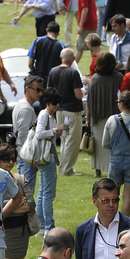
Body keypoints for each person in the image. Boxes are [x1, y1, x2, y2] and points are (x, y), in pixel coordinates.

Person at [0, 146, 35, 259]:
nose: (11, 163)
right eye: (6, 159)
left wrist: (10, 206)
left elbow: (30, 203)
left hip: (21, 233)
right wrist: (19, 201)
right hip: (4, 232)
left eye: (13, 159)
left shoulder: (20, 179)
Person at [46, 48, 85, 177]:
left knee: (63, 139)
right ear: (73, 59)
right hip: (73, 110)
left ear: (61, 58)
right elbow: (78, 95)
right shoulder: (73, 73)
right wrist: (86, 91)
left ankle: (63, 166)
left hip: (59, 110)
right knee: (72, 140)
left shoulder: (53, 71)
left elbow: (49, 91)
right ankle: (66, 169)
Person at [34, 87, 67, 236]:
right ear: (47, 102)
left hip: (47, 156)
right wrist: (55, 130)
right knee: (48, 193)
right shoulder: (44, 115)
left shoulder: (49, 115)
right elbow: (39, 133)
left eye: (58, 103)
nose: (57, 105)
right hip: (46, 157)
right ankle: (48, 226)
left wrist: (57, 132)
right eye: (54, 103)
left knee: (43, 192)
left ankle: (40, 225)